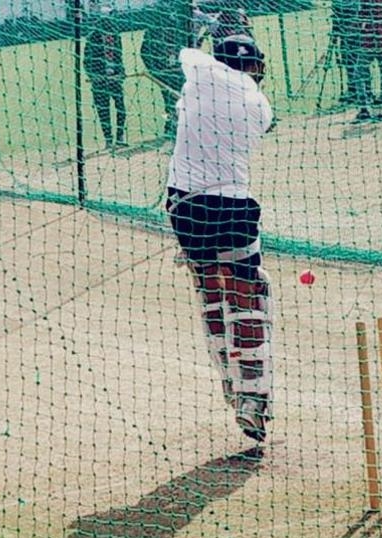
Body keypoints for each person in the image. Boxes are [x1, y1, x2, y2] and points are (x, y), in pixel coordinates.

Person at [165, 35, 275, 442]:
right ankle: (253, 395)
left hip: (183, 206)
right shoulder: (258, 106)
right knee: (248, 288)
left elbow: (187, 51)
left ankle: (230, 383)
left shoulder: (194, 74)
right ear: (253, 68)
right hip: (230, 202)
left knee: (210, 286)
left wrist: (200, 31)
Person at [140, 0, 214, 137]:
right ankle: (173, 127)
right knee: (170, 98)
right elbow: (145, 52)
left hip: (183, 65)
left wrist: (200, 40)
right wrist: (156, 69)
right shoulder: (158, 29)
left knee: (189, 94)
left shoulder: (183, 20)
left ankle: (191, 125)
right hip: (166, 70)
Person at [84, 11, 126, 148]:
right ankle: (108, 139)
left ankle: (120, 136)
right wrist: (93, 76)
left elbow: (119, 57)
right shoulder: (92, 38)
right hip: (100, 81)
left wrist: (121, 72)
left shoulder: (116, 36)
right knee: (103, 110)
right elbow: (86, 61)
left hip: (115, 78)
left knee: (121, 107)